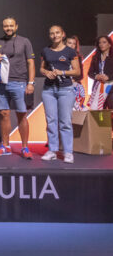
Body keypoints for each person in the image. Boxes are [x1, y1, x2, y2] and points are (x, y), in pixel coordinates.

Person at [0, 16, 35, 159]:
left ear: (16, 26)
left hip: (19, 82)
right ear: (2, 27)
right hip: (0, 84)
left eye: (11, 26)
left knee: (21, 115)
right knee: (4, 114)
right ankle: (5, 146)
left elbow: (31, 63)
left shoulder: (25, 41)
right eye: (5, 26)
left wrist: (31, 83)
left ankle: (25, 147)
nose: (8, 28)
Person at [40, 25, 80, 164]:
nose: (55, 35)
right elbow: (41, 68)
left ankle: (68, 152)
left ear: (63, 34)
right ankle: (52, 151)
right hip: (48, 90)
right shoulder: (46, 50)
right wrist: (47, 72)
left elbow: (77, 71)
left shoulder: (70, 51)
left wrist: (62, 72)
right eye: (52, 33)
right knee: (51, 121)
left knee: (65, 122)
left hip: (66, 90)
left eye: (57, 33)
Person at [87, 36, 113, 108]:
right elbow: (90, 73)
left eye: (104, 42)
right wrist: (96, 76)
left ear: (109, 44)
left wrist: (108, 77)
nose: (101, 44)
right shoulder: (95, 57)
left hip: (111, 88)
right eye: (99, 43)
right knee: (99, 112)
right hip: (98, 87)